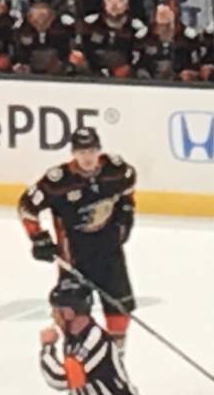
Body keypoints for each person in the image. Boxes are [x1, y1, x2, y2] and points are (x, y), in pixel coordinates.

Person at [19, 124, 137, 337]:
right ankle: (77, 356)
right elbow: (26, 207)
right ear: (73, 153)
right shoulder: (58, 181)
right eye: (82, 152)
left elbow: (128, 188)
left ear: (99, 150)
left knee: (119, 310)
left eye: (91, 151)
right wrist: (38, 238)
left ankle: (114, 359)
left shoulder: (115, 171)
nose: (87, 157)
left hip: (110, 253)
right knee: (72, 313)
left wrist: (126, 211)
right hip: (74, 258)